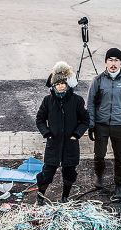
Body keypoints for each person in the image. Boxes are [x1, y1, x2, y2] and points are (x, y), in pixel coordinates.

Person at [35, 61, 90, 203]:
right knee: (47, 173)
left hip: (70, 145)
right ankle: (40, 196)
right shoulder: (48, 101)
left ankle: (65, 197)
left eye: (63, 83)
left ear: (67, 84)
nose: (60, 86)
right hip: (53, 144)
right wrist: (46, 133)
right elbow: (40, 119)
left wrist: (76, 134)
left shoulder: (77, 100)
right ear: (53, 85)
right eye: (57, 83)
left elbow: (85, 120)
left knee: (69, 173)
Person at [87, 47, 121, 201]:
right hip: (101, 125)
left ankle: (119, 185)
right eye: (110, 60)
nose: (113, 63)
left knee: (120, 157)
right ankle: (99, 177)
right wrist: (91, 124)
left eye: (116, 60)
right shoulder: (98, 80)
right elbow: (90, 104)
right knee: (99, 155)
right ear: (106, 62)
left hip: (118, 125)